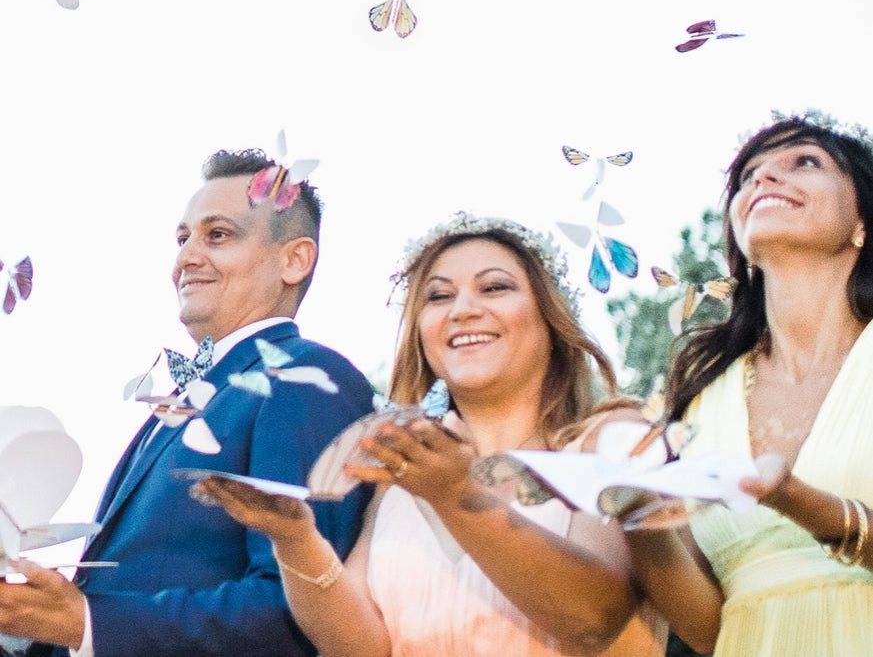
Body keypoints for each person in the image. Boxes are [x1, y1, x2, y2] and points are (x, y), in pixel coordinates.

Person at [197, 212, 667, 657]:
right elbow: (363, 647)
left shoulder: (612, 440)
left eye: (494, 287)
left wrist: (456, 495)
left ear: (550, 315)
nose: (463, 310)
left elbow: (594, 619)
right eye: (439, 297)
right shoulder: (403, 477)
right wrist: (295, 538)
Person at [0, 149, 376, 657]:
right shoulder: (183, 400)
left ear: (294, 260)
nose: (186, 259)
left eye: (217, 235)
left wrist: (87, 622)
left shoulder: (306, 380)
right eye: (183, 239)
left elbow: (298, 610)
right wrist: (25, 625)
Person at [624, 110, 873, 656]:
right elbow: (711, 626)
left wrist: (803, 503)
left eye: (805, 162)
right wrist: (635, 515)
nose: (764, 177)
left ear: (863, 220)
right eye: (747, 176)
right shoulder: (702, 398)